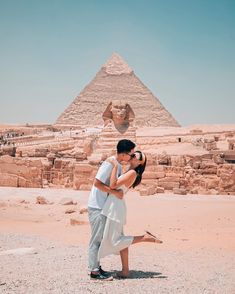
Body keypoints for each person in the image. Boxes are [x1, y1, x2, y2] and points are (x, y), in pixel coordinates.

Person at [98, 151, 163, 278]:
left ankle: (144, 238)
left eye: (135, 156)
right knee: (120, 239)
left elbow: (113, 185)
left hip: (115, 206)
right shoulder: (130, 171)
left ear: (140, 162)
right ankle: (125, 270)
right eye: (132, 154)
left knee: (115, 240)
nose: (131, 156)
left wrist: (116, 166)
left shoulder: (132, 173)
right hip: (115, 204)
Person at [87, 139, 136, 281]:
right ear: (124, 153)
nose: (131, 158)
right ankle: (94, 272)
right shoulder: (110, 163)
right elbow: (97, 183)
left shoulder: (117, 164)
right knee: (96, 239)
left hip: (102, 206)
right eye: (131, 155)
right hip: (97, 205)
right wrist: (114, 193)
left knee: (100, 238)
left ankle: (96, 267)